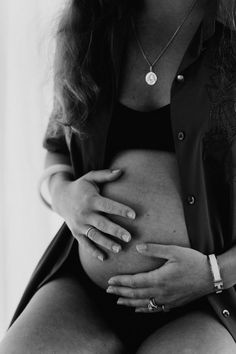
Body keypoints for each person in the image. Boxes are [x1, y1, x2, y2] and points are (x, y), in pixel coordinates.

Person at [1, 0, 236, 353]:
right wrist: (65, 196)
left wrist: (213, 274)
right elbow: (57, 148)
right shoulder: (87, 24)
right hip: (85, 291)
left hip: (206, 298)